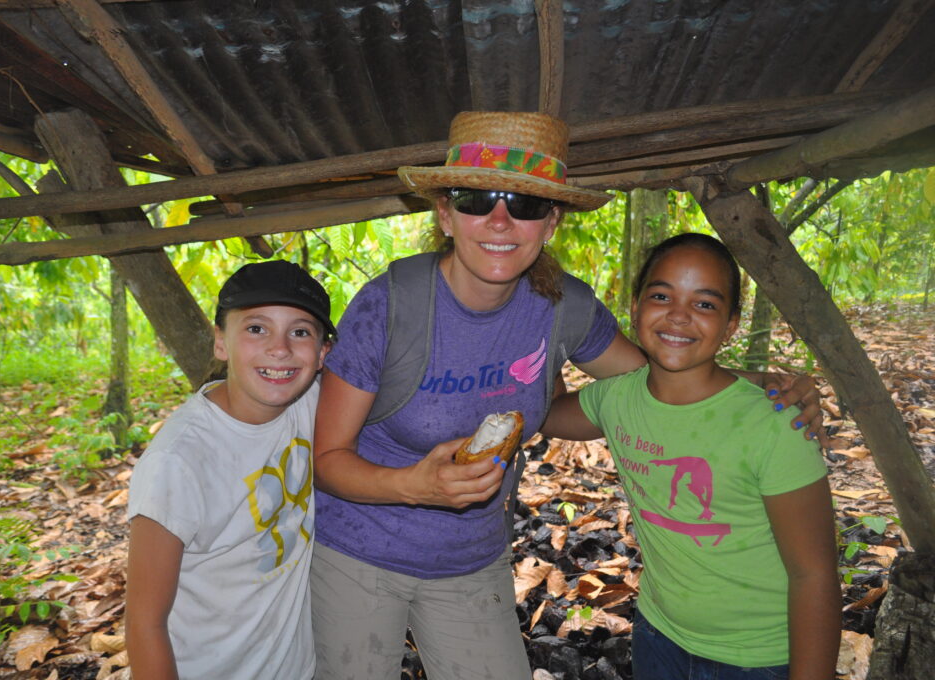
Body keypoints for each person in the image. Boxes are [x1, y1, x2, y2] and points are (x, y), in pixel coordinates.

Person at [311, 110, 823, 680]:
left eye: (525, 205)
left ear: (550, 223)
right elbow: (327, 462)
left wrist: (766, 387)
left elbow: (663, 377)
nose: (500, 221)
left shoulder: (562, 305)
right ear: (445, 213)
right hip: (359, 553)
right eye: (477, 199)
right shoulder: (390, 306)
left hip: (471, 560)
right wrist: (415, 485)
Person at [542, 233, 841, 680]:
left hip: (757, 657)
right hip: (659, 635)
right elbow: (544, 415)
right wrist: (533, 329)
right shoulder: (615, 400)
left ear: (732, 325)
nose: (679, 315)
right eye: (662, 296)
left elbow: (814, 575)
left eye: (704, 304)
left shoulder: (774, 424)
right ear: (636, 307)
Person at [125, 260, 335, 680]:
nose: (280, 349)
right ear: (220, 342)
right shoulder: (179, 462)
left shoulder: (309, 402)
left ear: (322, 353)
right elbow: (144, 623)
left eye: (300, 331)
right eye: (256, 328)